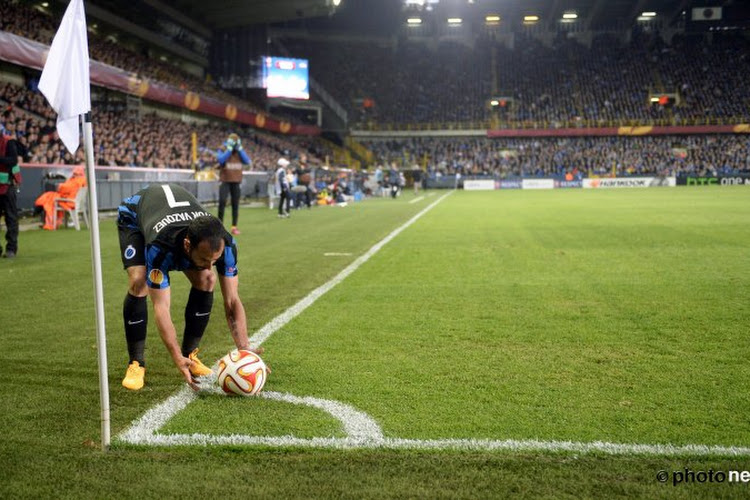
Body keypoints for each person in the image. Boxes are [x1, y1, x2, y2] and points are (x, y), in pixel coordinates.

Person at [117, 183, 261, 391]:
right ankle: (136, 363)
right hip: (135, 217)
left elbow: (231, 300)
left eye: (215, 259)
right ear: (187, 246)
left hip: (174, 217)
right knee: (139, 282)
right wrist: (175, 357)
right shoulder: (161, 247)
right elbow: (161, 307)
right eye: (204, 258)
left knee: (207, 279)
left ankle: (191, 356)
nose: (210, 265)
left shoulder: (227, 245)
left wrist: (244, 348)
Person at [216, 133, 251, 235]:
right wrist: (229, 149)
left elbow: (247, 161)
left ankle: (234, 226)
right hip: (225, 179)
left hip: (236, 180)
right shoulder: (223, 148)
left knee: (235, 204)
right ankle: (219, 226)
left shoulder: (239, 151)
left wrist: (239, 149)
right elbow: (221, 159)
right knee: (222, 201)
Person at [34, 166, 86, 230]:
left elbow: (64, 189)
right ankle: (41, 211)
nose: (73, 175)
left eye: (74, 173)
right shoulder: (83, 181)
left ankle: (49, 223)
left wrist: (60, 185)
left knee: (49, 198)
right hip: (72, 200)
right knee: (50, 196)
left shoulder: (76, 181)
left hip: (69, 202)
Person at [0, 126, 22, 259]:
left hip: (7, 186)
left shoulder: (9, 142)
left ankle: (11, 249)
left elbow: (13, 160)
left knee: (11, 218)